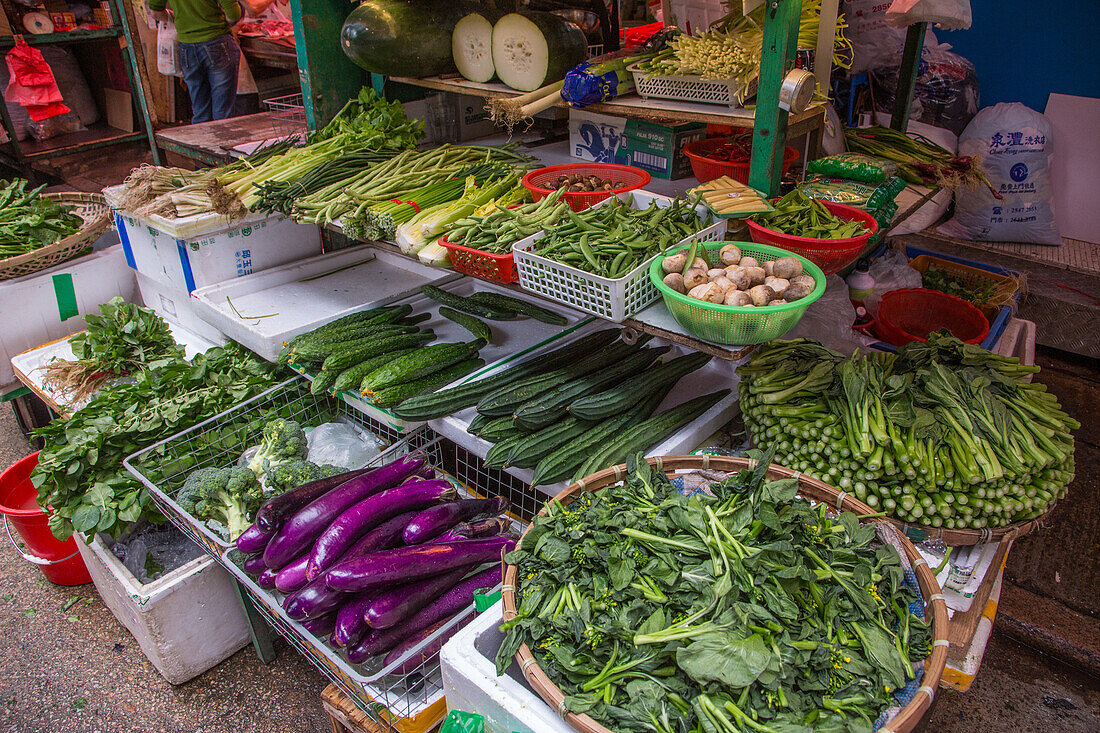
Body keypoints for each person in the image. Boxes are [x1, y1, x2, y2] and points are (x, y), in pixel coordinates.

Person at [149, 0, 243, 123]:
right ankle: (223, 142)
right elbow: (234, 14)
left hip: (187, 48)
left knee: (200, 111)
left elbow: (156, 13)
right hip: (217, 42)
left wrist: (176, 17)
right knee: (223, 112)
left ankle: (202, 141)